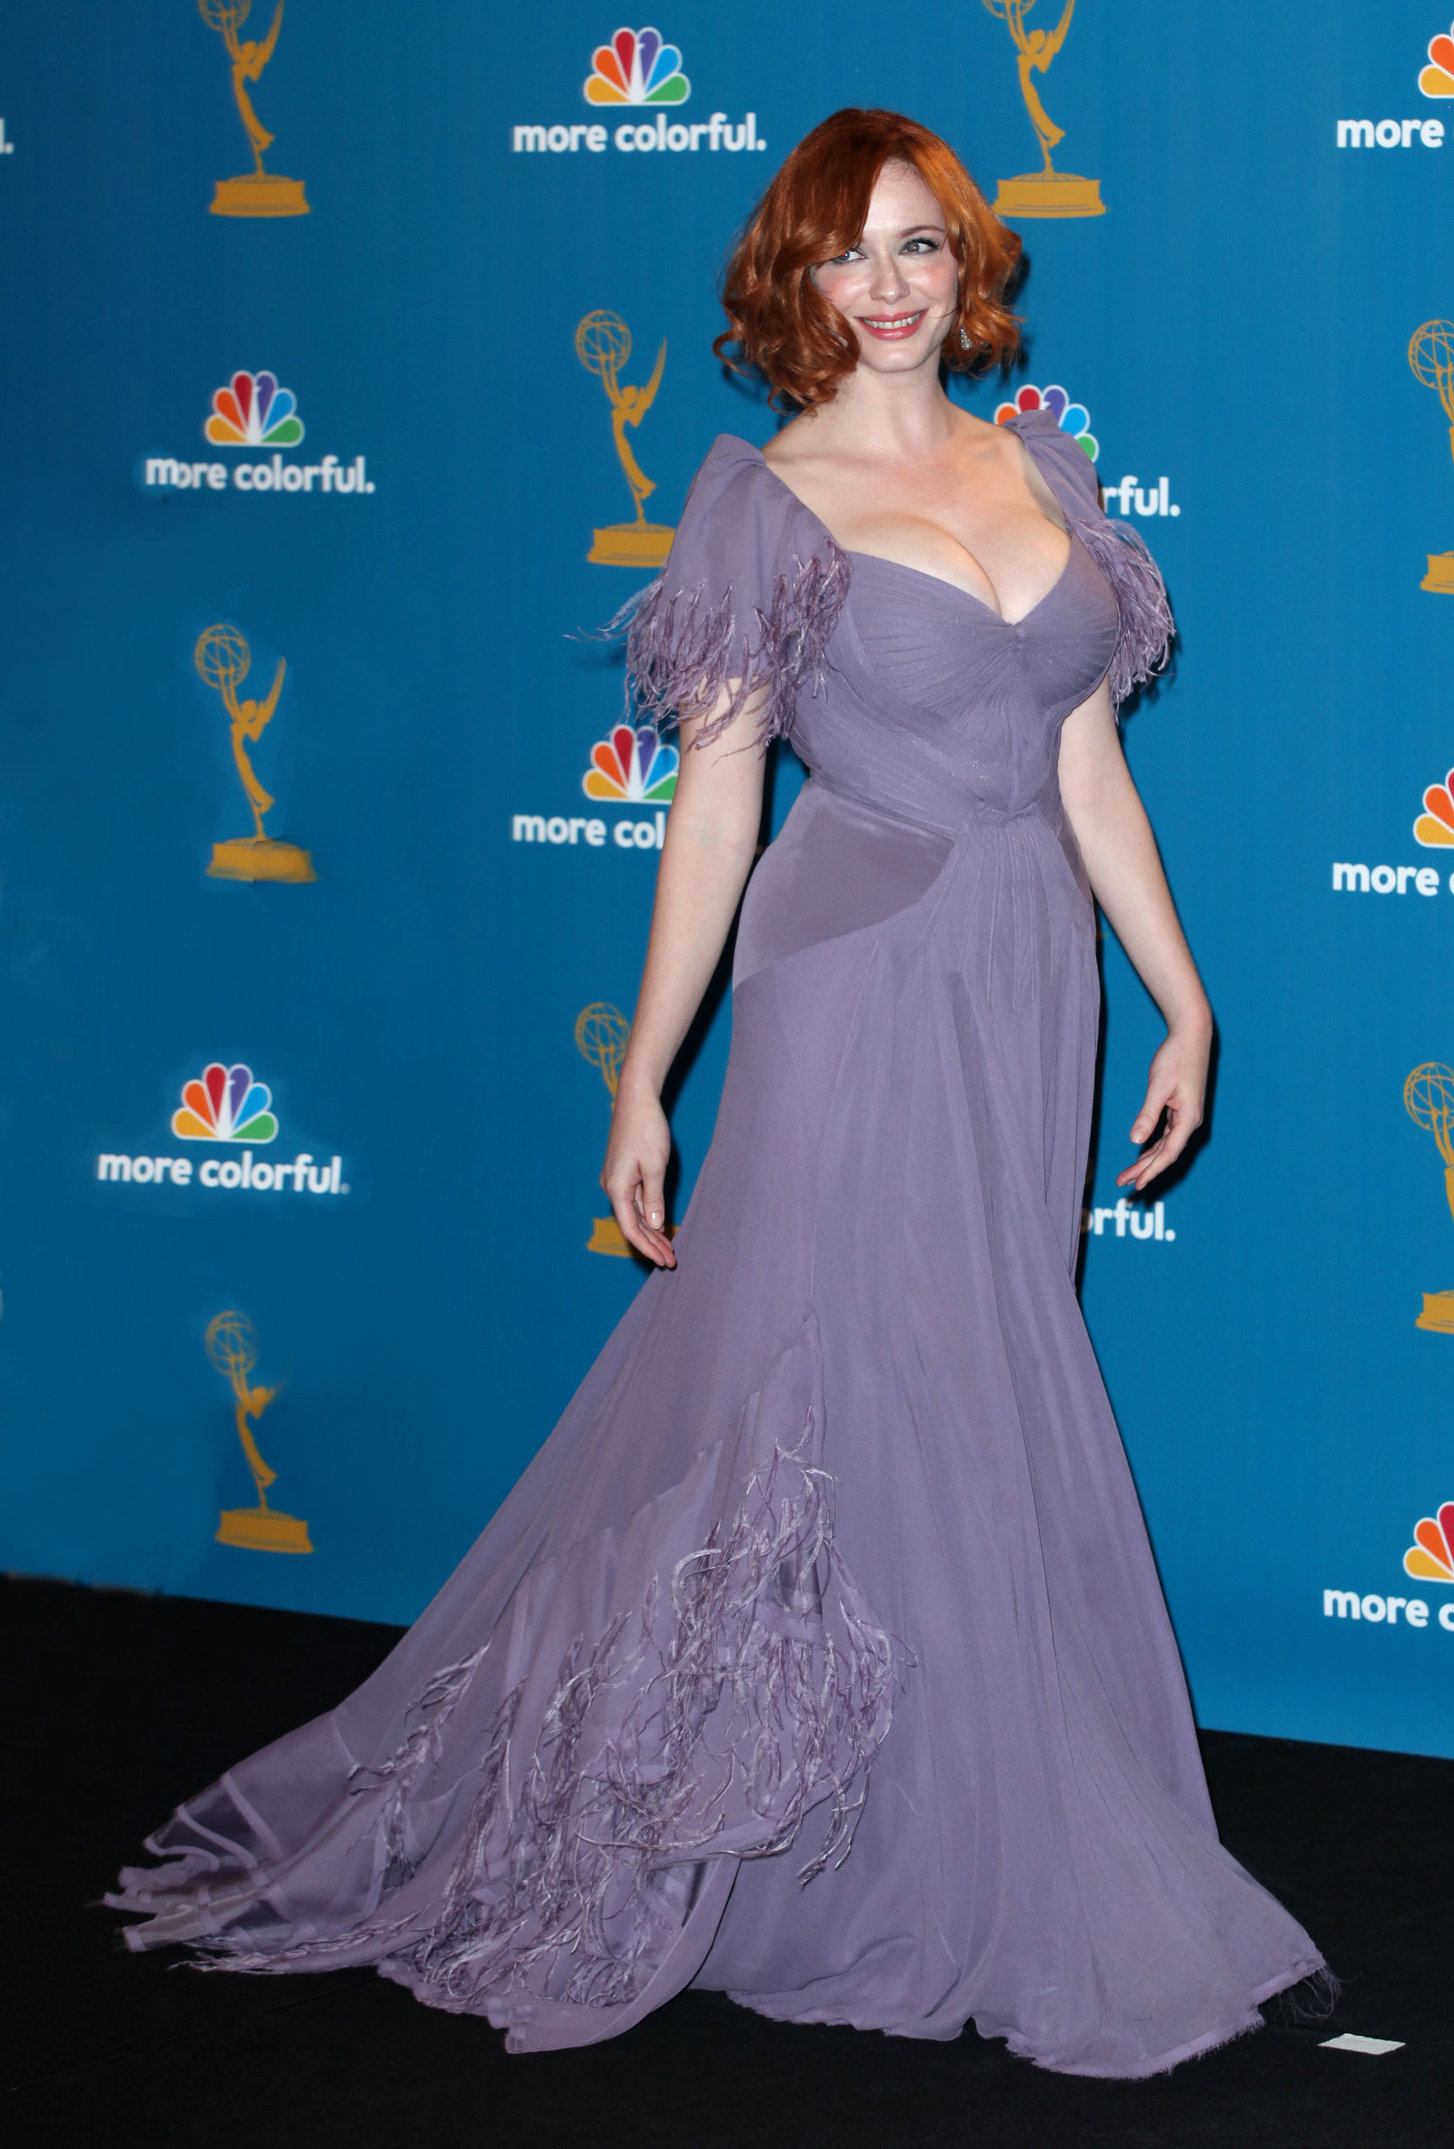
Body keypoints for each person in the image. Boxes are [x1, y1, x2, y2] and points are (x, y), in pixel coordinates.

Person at [109, 108, 1326, 2077]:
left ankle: (942, 1809)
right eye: (850, 256)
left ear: (966, 260)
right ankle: (742, 1824)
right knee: (831, 1384)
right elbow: (713, 809)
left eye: (921, 244)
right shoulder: (764, 498)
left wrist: (1184, 999)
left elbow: (1086, 757)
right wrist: (652, 1072)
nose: (893, 284)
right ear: (796, 285)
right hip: (855, 977)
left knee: (983, 1377)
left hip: (1027, 978)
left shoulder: (1043, 465)